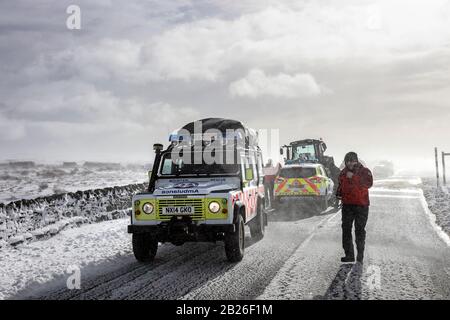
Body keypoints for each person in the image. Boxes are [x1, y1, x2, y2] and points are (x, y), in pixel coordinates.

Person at [336, 151, 373, 263]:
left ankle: (360, 255)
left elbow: (368, 184)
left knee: (359, 230)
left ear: (357, 161)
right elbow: (341, 186)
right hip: (347, 206)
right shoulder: (343, 173)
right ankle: (349, 255)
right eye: (347, 161)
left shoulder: (365, 171)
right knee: (346, 230)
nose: (350, 163)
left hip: (361, 206)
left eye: (352, 161)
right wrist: (338, 194)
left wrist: (354, 177)